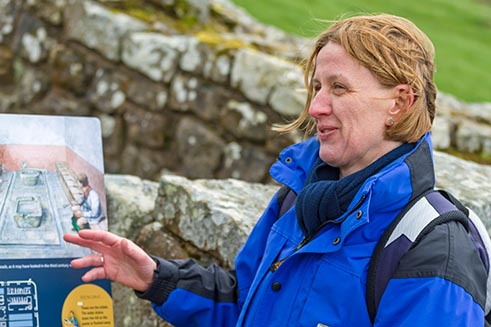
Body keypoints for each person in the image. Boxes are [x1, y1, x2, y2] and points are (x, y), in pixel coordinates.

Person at [63, 14, 487, 326]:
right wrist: (156, 278)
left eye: (339, 87)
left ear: (398, 103)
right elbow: (244, 301)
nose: (316, 106)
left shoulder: (433, 249)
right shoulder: (300, 195)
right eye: (317, 87)